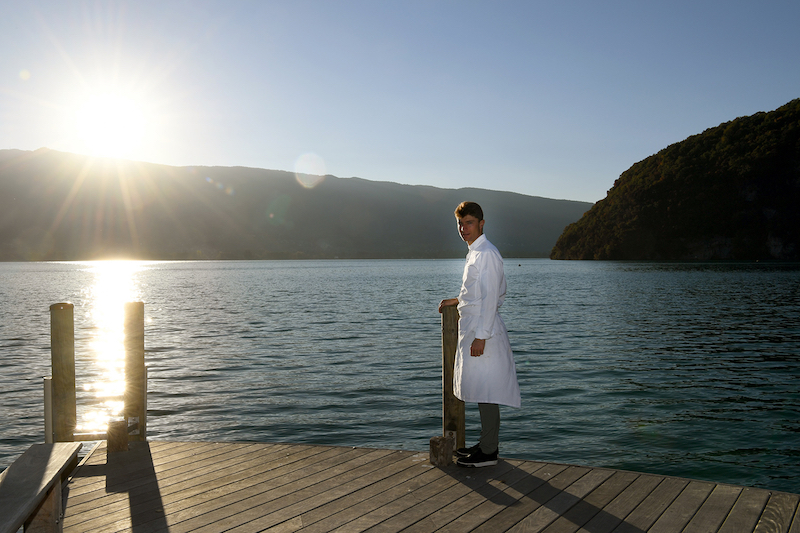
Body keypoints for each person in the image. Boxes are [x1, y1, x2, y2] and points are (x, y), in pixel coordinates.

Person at [438, 201, 521, 467]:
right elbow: (477, 292)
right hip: (475, 326)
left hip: (483, 330)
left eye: (469, 223)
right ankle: (486, 444)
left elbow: (491, 297)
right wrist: (458, 300)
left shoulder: (486, 253)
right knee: (483, 390)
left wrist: (482, 336)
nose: (464, 228)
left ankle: (488, 452)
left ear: (481, 223)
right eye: (460, 224)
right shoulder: (475, 252)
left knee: (488, 391)